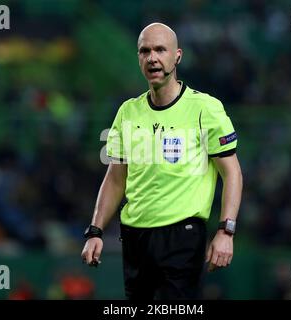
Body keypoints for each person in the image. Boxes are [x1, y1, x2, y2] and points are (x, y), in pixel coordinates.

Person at [81, 22, 243, 300]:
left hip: (182, 236)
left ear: (177, 56)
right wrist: (95, 230)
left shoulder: (205, 108)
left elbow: (232, 173)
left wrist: (226, 231)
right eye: (145, 51)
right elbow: (115, 178)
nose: (152, 57)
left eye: (160, 50)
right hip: (135, 238)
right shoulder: (127, 112)